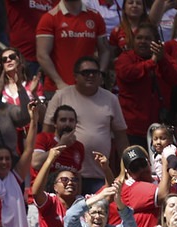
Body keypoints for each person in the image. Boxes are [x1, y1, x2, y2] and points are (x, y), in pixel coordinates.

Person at [43, 56, 129, 194]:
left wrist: (127, 168)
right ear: (75, 76)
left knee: (97, 215)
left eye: (95, 72)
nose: (90, 75)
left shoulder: (111, 99)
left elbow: (121, 138)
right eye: (86, 72)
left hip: (99, 176)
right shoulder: (61, 96)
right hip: (64, 176)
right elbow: (46, 133)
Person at [115, 23, 177, 148]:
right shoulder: (126, 58)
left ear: (156, 42)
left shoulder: (163, 58)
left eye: (147, 39)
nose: (143, 42)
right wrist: (152, 62)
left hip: (159, 129)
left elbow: (176, 78)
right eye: (139, 38)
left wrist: (162, 60)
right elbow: (128, 73)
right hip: (131, 128)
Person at [35, 0, 109, 94]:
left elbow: (105, 51)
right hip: (57, 89)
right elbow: (42, 55)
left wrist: (100, 75)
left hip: (88, 88)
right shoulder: (49, 18)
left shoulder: (95, 16)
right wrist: (59, 83)